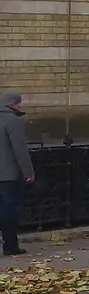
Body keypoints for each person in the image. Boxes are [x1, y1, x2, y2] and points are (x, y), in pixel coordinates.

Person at [0, 91, 35, 257]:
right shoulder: (12, 121)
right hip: (9, 175)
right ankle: (10, 244)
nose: (21, 105)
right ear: (13, 104)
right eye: (19, 103)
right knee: (9, 210)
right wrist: (28, 172)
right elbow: (20, 150)